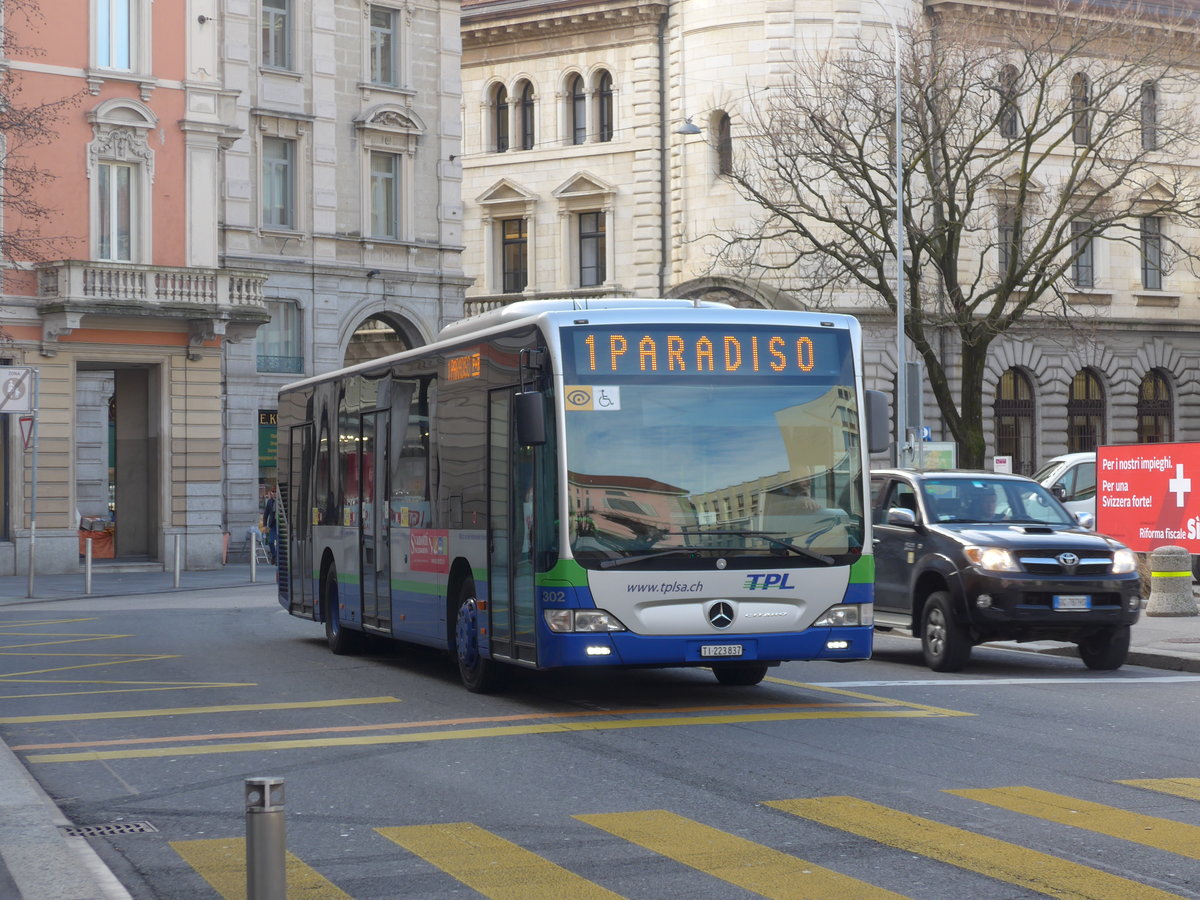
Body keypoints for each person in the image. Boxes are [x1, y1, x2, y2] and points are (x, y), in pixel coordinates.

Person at [262, 488, 278, 564]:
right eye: (273, 492)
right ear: (271, 493)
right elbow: (266, 514)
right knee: (271, 542)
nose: (274, 493)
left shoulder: (280, 501)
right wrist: (264, 525)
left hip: (280, 524)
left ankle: (278, 557)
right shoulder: (269, 502)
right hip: (273, 524)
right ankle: (274, 555)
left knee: (280, 542)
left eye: (275, 492)